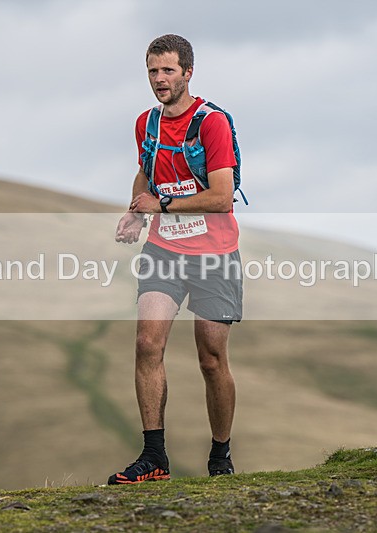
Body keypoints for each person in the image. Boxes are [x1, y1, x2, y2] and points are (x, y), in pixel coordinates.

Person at [110, 34, 242, 485]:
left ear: (188, 72)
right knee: (147, 344)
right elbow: (146, 172)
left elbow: (222, 197)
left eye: (168, 70)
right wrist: (135, 212)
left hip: (214, 255)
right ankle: (154, 457)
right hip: (163, 251)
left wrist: (161, 206)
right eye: (153, 71)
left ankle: (221, 455)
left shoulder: (211, 124)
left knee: (211, 359)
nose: (159, 79)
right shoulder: (145, 124)